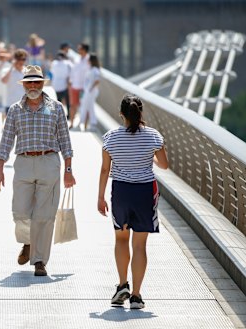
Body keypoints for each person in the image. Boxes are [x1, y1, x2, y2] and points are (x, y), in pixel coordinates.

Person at [0, 65, 75, 277]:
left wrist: (68, 169)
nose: (32, 86)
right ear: (23, 85)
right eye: (28, 82)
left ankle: (39, 260)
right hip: (23, 162)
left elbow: (65, 141)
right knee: (20, 211)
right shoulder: (14, 109)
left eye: (36, 82)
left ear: (42, 84)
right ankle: (28, 242)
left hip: (49, 161)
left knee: (44, 215)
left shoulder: (56, 108)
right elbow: (6, 140)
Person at [97, 94, 169, 309]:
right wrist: (152, 157)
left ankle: (122, 286)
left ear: (121, 114)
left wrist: (100, 197)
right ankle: (137, 296)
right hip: (145, 193)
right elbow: (164, 165)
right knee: (139, 244)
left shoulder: (110, 137)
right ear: (140, 113)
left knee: (120, 239)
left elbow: (104, 169)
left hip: (121, 192)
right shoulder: (154, 136)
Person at [0, 49, 28, 118]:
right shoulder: (7, 70)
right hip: (10, 103)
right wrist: (11, 67)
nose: (21, 61)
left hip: (24, 104)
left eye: (23, 59)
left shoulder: (27, 71)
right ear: (15, 59)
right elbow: (4, 81)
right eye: (19, 59)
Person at [68, 43, 90, 128]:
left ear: (84, 50)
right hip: (75, 86)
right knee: (73, 105)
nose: (78, 50)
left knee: (85, 106)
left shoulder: (89, 59)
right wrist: (70, 81)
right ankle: (72, 123)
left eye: (80, 49)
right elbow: (73, 71)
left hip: (84, 87)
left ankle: (85, 125)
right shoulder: (77, 58)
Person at [79, 53, 102, 131]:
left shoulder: (95, 70)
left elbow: (97, 80)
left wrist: (91, 88)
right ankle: (92, 123)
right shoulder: (90, 69)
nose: (87, 61)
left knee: (87, 106)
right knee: (89, 107)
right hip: (88, 91)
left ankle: (84, 123)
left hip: (91, 91)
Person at [50, 51, 72, 117]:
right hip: (64, 85)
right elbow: (70, 73)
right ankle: (68, 115)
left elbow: (51, 72)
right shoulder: (67, 63)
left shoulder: (54, 63)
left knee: (57, 101)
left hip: (55, 85)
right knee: (67, 100)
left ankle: (57, 115)